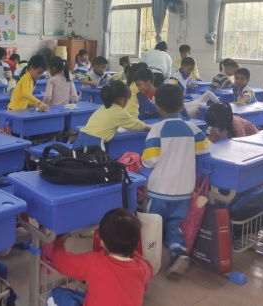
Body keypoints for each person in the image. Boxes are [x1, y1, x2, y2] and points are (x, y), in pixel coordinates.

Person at [142, 84, 211, 276]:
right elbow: (204, 148)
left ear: (158, 107)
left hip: (160, 189)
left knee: (151, 224)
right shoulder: (192, 128)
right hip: (183, 190)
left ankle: (147, 260)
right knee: (174, 224)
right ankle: (177, 250)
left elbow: (149, 159)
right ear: (182, 106)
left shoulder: (157, 129)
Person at [49, 209, 153, 306]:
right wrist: (127, 246)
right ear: (136, 244)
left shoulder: (95, 262)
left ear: (102, 242)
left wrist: (58, 243)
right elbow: (149, 268)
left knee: (54, 295)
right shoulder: (143, 267)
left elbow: (63, 263)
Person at [74, 81, 150, 149]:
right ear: (123, 100)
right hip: (93, 144)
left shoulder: (103, 108)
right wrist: (147, 127)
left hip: (81, 138)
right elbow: (135, 124)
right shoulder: (119, 112)